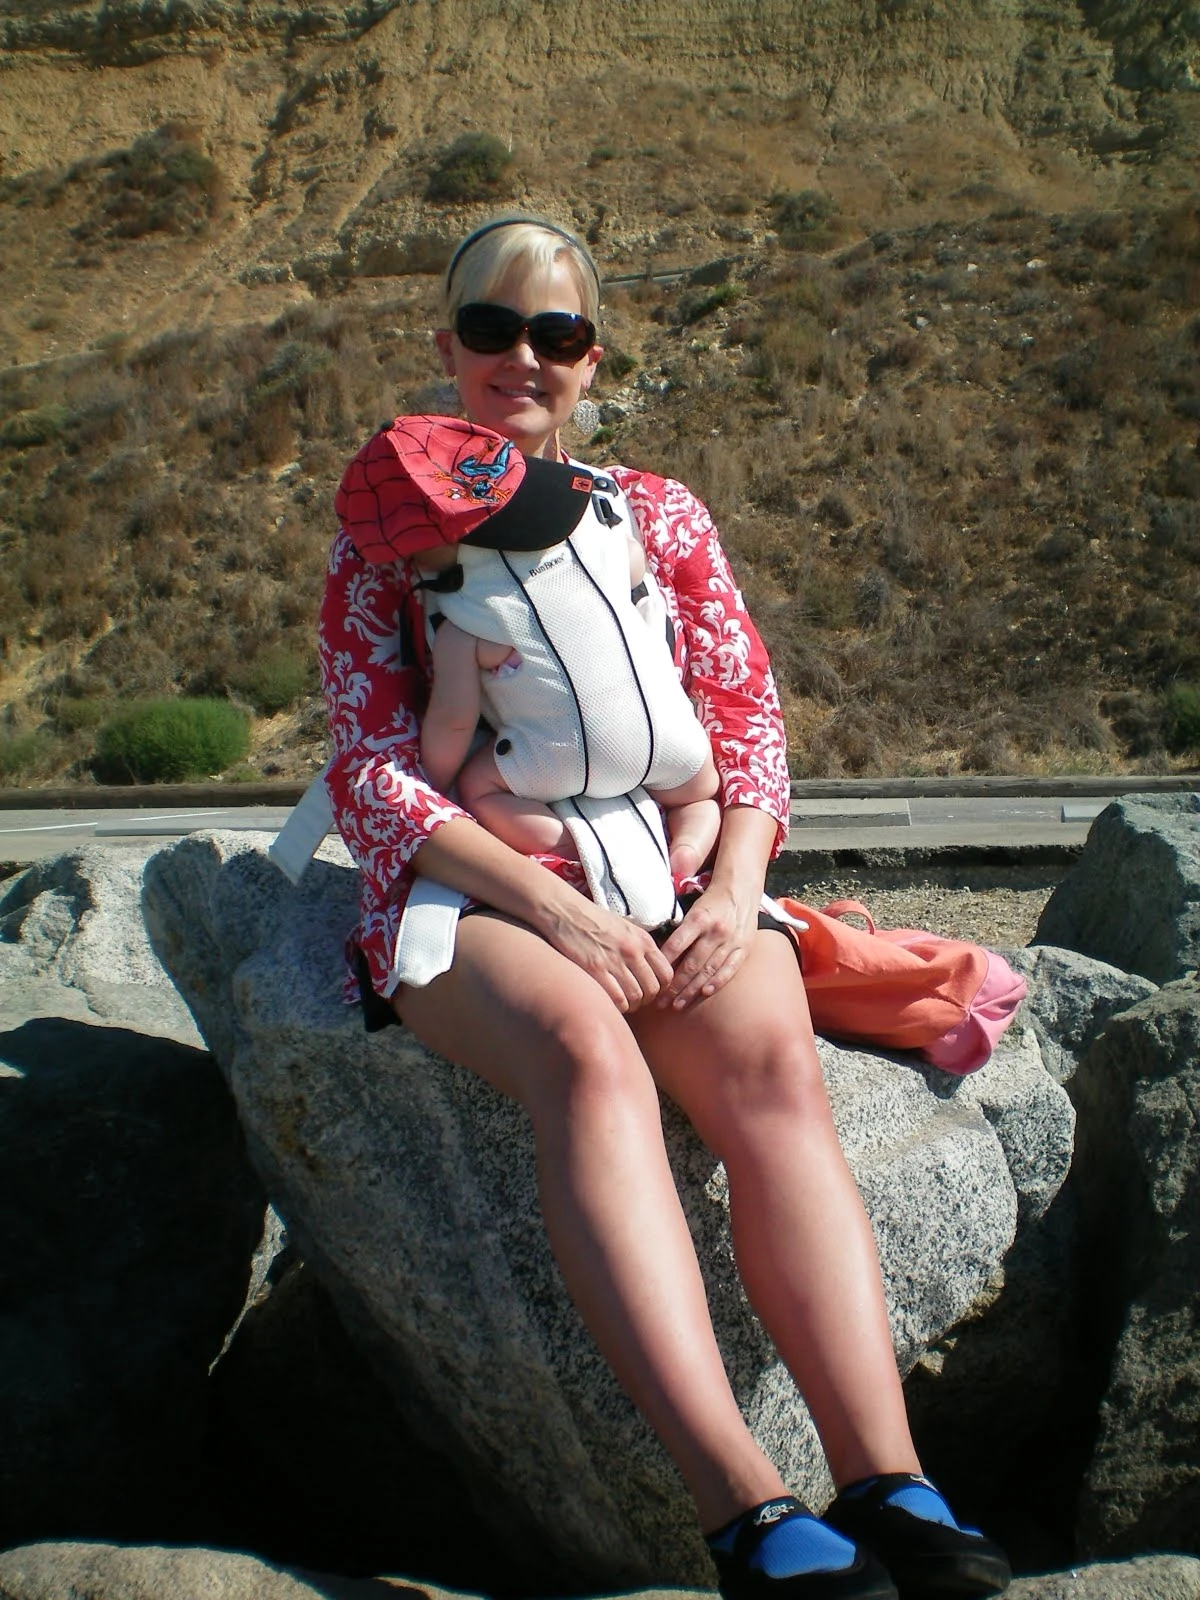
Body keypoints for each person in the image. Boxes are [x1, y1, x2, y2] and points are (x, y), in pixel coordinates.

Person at [319, 213, 1012, 1600]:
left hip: (672, 868)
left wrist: (736, 886)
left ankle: (892, 1479)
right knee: (586, 1057)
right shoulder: (390, 529)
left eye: (557, 333)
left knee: (766, 1067)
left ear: (592, 355)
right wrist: (551, 908)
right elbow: (365, 768)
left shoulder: (665, 513)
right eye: (493, 329)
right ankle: (746, 1510)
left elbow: (745, 716)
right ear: (449, 345)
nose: (525, 356)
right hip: (480, 886)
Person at [415, 494, 723, 887]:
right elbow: (634, 562)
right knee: (698, 794)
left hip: (560, 758)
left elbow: (453, 721)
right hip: (663, 739)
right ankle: (687, 851)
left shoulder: (462, 618)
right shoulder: (597, 551)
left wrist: (435, 781)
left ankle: (573, 846)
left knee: (478, 788)